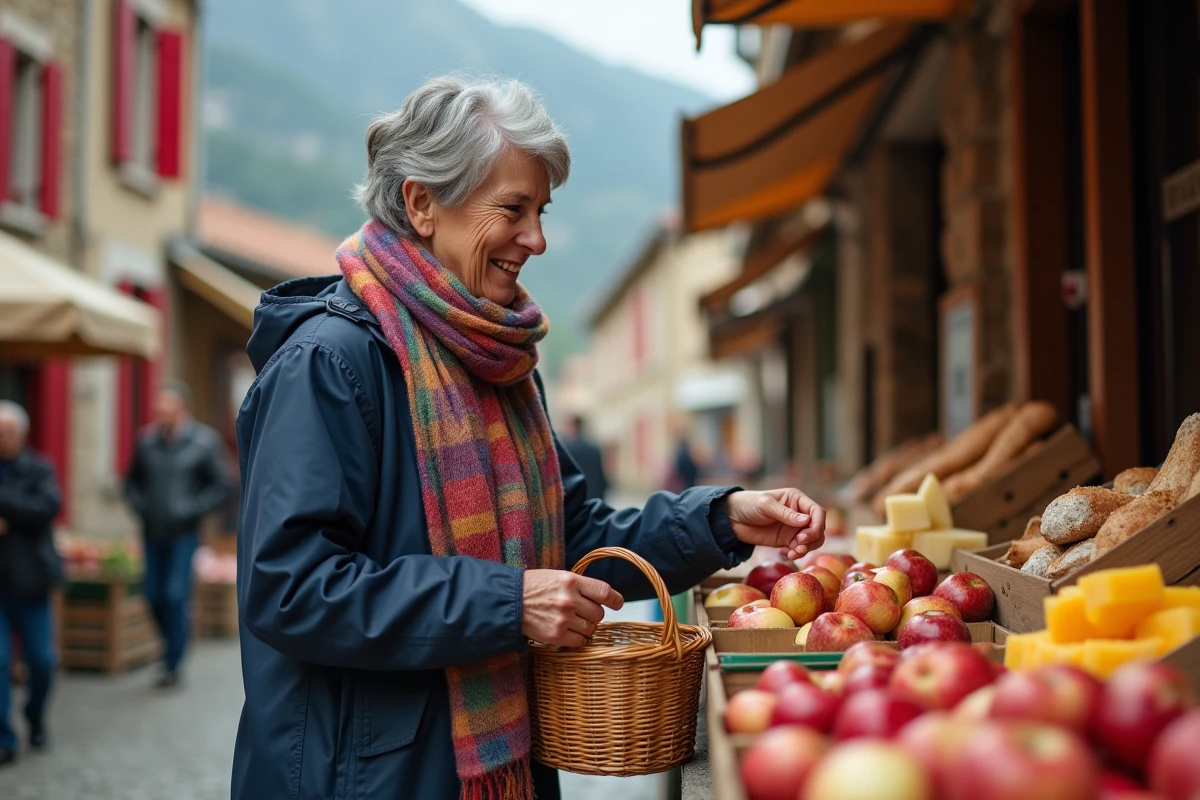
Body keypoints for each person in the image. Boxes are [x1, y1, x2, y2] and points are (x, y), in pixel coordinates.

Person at [232, 76, 826, 800]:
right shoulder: (329, 362)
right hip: (364, 778)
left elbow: (576, 539)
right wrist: (506, 603)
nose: (537, 240)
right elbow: (292, 588)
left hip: (488, 768)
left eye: (540, 211)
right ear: (422, 203)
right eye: (512, 209)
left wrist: (719, 519)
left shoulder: (502, 364)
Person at [124, 382, 230, 688]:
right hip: (152, 531)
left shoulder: (204, 442)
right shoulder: (146, 441)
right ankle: (171, 645)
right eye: (159, 411)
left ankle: (173, 663)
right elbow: (131, 482)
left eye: (167, 411)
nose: (161, 415)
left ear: (183, 410)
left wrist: (192, 508)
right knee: (152, 595)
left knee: (174, 595)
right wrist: (141, 506)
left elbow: (222, 485)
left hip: (184, 534)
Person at [0, 401, 62, 766]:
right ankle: (5, 739)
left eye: (7, 434)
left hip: (31, 582)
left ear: (21, 435)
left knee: (41, 660)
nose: (2, 440)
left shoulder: (39, 469)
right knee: (1, 662)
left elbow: (46, 509)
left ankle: (35, 717)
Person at [559, 415, 608, 502]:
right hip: (595, 496)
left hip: (577, 499)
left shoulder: (567, 449)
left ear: (574, 426)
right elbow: (601, 476)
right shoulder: (594, 448)